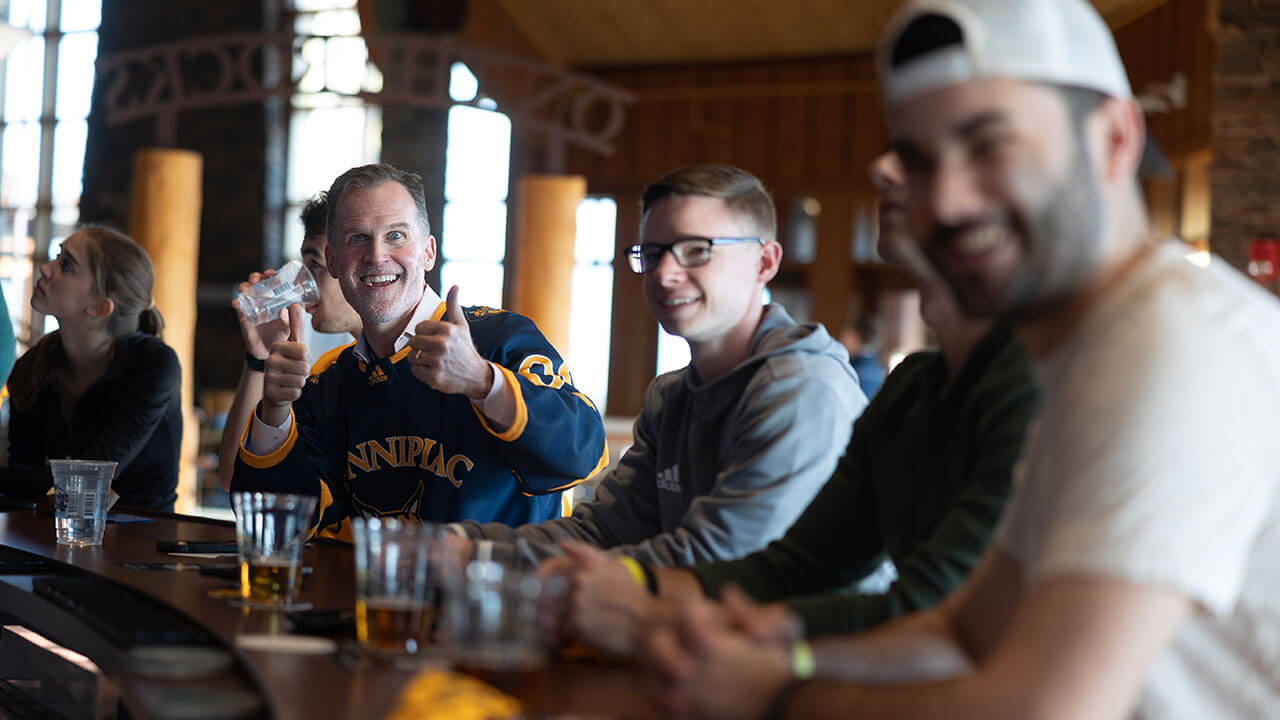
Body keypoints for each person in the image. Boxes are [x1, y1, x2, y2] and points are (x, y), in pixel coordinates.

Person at [652, 2, 1280, 719]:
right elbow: (964, 633)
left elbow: (1040, 709)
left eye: (990, 147)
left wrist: (775, 691)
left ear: (1113, 138)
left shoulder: (1174, 346)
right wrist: (781, 650)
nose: (945, 200)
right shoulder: (1084, 354)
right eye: (921, 163)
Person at [540, 153, 1036, 657]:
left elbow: (939, 614)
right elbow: (794, 567)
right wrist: (618, 581)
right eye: (653, 251)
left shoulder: (1032, 387)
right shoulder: (914, 382)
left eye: (926, 150)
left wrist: (646, 612)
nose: (882, 168)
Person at [448, 164, 866, 568]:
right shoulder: (670, 397)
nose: (664, 273)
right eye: (652, 253)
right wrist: (455, 545)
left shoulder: (802, 390)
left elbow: (713, 564)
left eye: (697, 251)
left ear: (765, 262)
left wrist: (481, 560)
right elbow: (601, 533)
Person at [231, 163, 608, 539]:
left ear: (428, 252)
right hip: (381, 595)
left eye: (396, 235)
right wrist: (275, 410)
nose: (377, 255)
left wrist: (483, 382)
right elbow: (272, 528)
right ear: (333, 261)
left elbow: (583, 453)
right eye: (358, 238)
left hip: (503, 592)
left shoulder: (501, 338)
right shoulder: (327, 382)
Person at [1, 226, 181, 510]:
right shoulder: (32, 366)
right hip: (51, 541)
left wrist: (38, 483)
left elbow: (90, 478)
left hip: (144, 545)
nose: (45, 268)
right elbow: (18, 489)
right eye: (56, 257)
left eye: (66, 264)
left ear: (99, 307)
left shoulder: (154, 364)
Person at [217, 192, 362, 490]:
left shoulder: (420, 358)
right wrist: (259, 357)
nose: (299, 283)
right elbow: (235, 480)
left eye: (315, 264)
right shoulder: (329, 370)